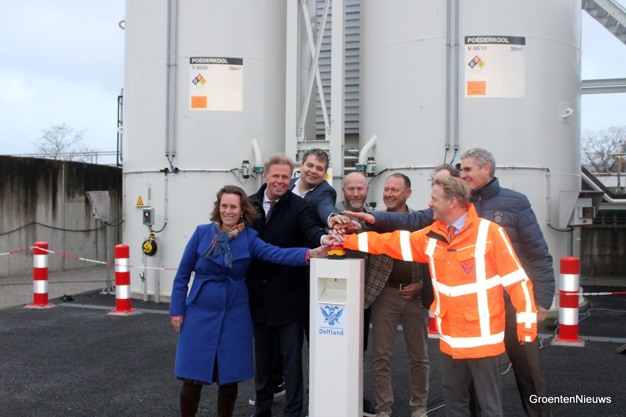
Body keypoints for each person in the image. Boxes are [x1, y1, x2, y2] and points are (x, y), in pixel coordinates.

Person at [334, 153, 554, 416]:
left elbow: (517, 281)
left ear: (452, 202)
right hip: (451, 340)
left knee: (490, 407)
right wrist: (346, 240)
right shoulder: (432, 235)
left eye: (434, 199)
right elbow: (391, 243)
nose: (429, 204)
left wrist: (527, 329)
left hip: (483, 342)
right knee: (455, 404)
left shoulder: (490, 233)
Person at [168, 185, 327, 417]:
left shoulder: (249, 238)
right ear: (218, 208)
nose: (228, 211)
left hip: (234, 313)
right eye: (224, 206)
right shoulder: (201, 233)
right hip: (199, 312)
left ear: (242, 210)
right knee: (192, 377)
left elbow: (276, 253)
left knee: (228, 377)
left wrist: (308, 254)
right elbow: (182, 275)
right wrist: (177, 310)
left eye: (233, 207)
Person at [459, 148, 554, 417]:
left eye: (467, 169)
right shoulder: (459, 205)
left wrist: (542, 300)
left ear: (486, 168)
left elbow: (538, 253)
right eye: (461, 170)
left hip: (515, 305)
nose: (463, 175)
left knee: (529, 373)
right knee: (477, 377)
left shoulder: (516, 202)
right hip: (477, 309)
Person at [247, 154, 336, 417]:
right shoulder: (248, 205)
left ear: (291, 178)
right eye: (275, 175)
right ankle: (261, 409)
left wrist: (324, 239)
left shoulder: (300, 207)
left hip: (290, 297)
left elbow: (311, 231)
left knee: (291, 362)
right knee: (262, 361)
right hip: (258, 297)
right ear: (265, 176)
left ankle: (293, 412)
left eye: (285, 177)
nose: (280, 181)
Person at [366, 173, 429, 417]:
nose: (389, 194)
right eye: (387, 189)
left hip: (416, 297)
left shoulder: (421, 222)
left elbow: (433, 259)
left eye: (395, 190)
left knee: (420, 356)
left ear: (408, 193)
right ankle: (383, 409)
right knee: (381, 357)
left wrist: (422, 286)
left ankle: (419, 407)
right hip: (385, 295)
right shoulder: (376, 222)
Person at [335, 171, 377, 417]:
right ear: (344, 191)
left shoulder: (375, 217)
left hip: (364, 295)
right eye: (351, 189)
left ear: (367, 191)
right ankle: (326, 390)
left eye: (360, 188)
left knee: (359, 348)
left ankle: (356, 395)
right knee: (332, 344)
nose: (355, 193)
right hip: (334, 294)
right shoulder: (332, 215)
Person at [290, 148, 339, 227]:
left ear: (325, 173)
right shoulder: (287, 184)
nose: (313, 171)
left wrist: (332, 217)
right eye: (310, 165)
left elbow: (325, 206)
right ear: (301, 165)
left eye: (319, 169)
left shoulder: (326, 191)